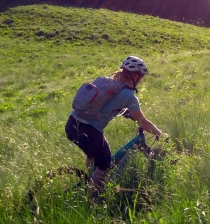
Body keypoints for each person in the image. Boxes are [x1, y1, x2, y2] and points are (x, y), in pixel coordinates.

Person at [65, 56, 163, 199]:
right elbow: (144, 122)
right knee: (104, 165)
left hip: (72, 123)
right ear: (136, 76)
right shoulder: (129, 96)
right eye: (141, 77)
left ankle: (91, 178)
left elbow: (105, 106)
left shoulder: (110, 85)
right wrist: (161, 135)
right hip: (90, 131)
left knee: (98, 149)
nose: (141, 80)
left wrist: (126, 113)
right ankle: (92, 201)